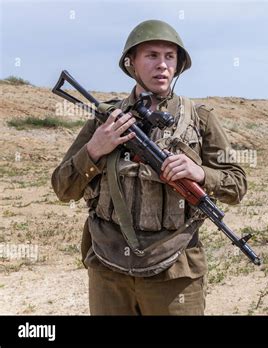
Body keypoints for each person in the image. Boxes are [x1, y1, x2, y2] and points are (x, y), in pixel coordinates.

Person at [51, 19, 247, 315]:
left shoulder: (200, 119)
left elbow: (236, 185)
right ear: (131, 63)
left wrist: (199, 173)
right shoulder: (105, 119)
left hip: (175, 271)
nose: (162, 65)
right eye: (152, 56)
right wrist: (95, 149)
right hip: (109, 267)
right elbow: (63, 188)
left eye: (170, 57)